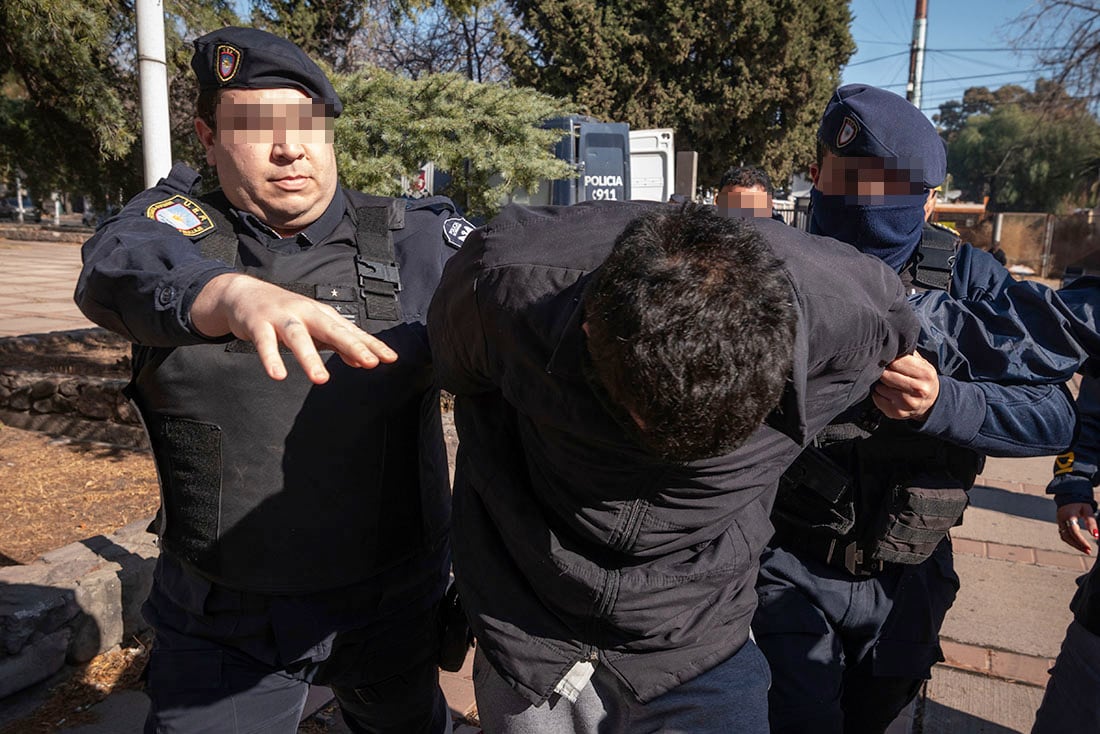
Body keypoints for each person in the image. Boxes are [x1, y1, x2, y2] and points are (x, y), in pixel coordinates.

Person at [74, 27, 471, 734]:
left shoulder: (411, 238)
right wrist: (227, 296)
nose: (290, 149)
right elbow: (113, 269)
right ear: (207, 135)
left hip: (390, 611)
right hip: (227, 627)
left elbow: (525, 292)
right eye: (258, 127)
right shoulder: (172, 231)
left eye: (307, 126)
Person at [427, 199, 924, 733]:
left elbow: (902, 341)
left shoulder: (852, 314)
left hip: (701, 628)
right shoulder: (503, 284)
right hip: (528, 620)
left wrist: (926, 394)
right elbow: (454, 368)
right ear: (592, 332)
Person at [752, 83, 1077, 734]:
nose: (853, 210)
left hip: (908, 578)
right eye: (838, 182)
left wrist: (941, 402)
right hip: (785, 564)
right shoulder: (769, 266)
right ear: (813, 175)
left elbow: (1053, 413)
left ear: (930, 201)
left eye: (881, 191)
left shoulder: (970, 279)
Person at [715, 165, 785, 221]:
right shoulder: (706, 233)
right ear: (718, 201)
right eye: (733, 204)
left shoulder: (785, 237)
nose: (742, 215)